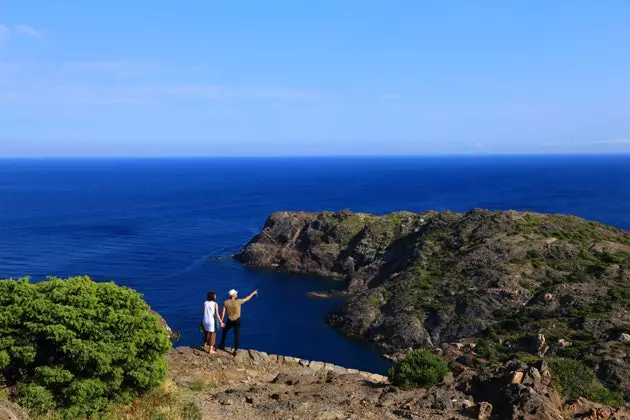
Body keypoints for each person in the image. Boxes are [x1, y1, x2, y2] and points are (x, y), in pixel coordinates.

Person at [219, 288, 258, 356]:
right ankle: (236, 350)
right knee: (236, 335)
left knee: (225, 331)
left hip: (230, 320)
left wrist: (221, 321)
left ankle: (222, 344)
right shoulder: (238, 301)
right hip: (237, 320)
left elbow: (223, 312)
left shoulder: (226, 302)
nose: (237, 294)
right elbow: (247, 298)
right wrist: (253, 293)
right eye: (236, 293)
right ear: (233, 295)